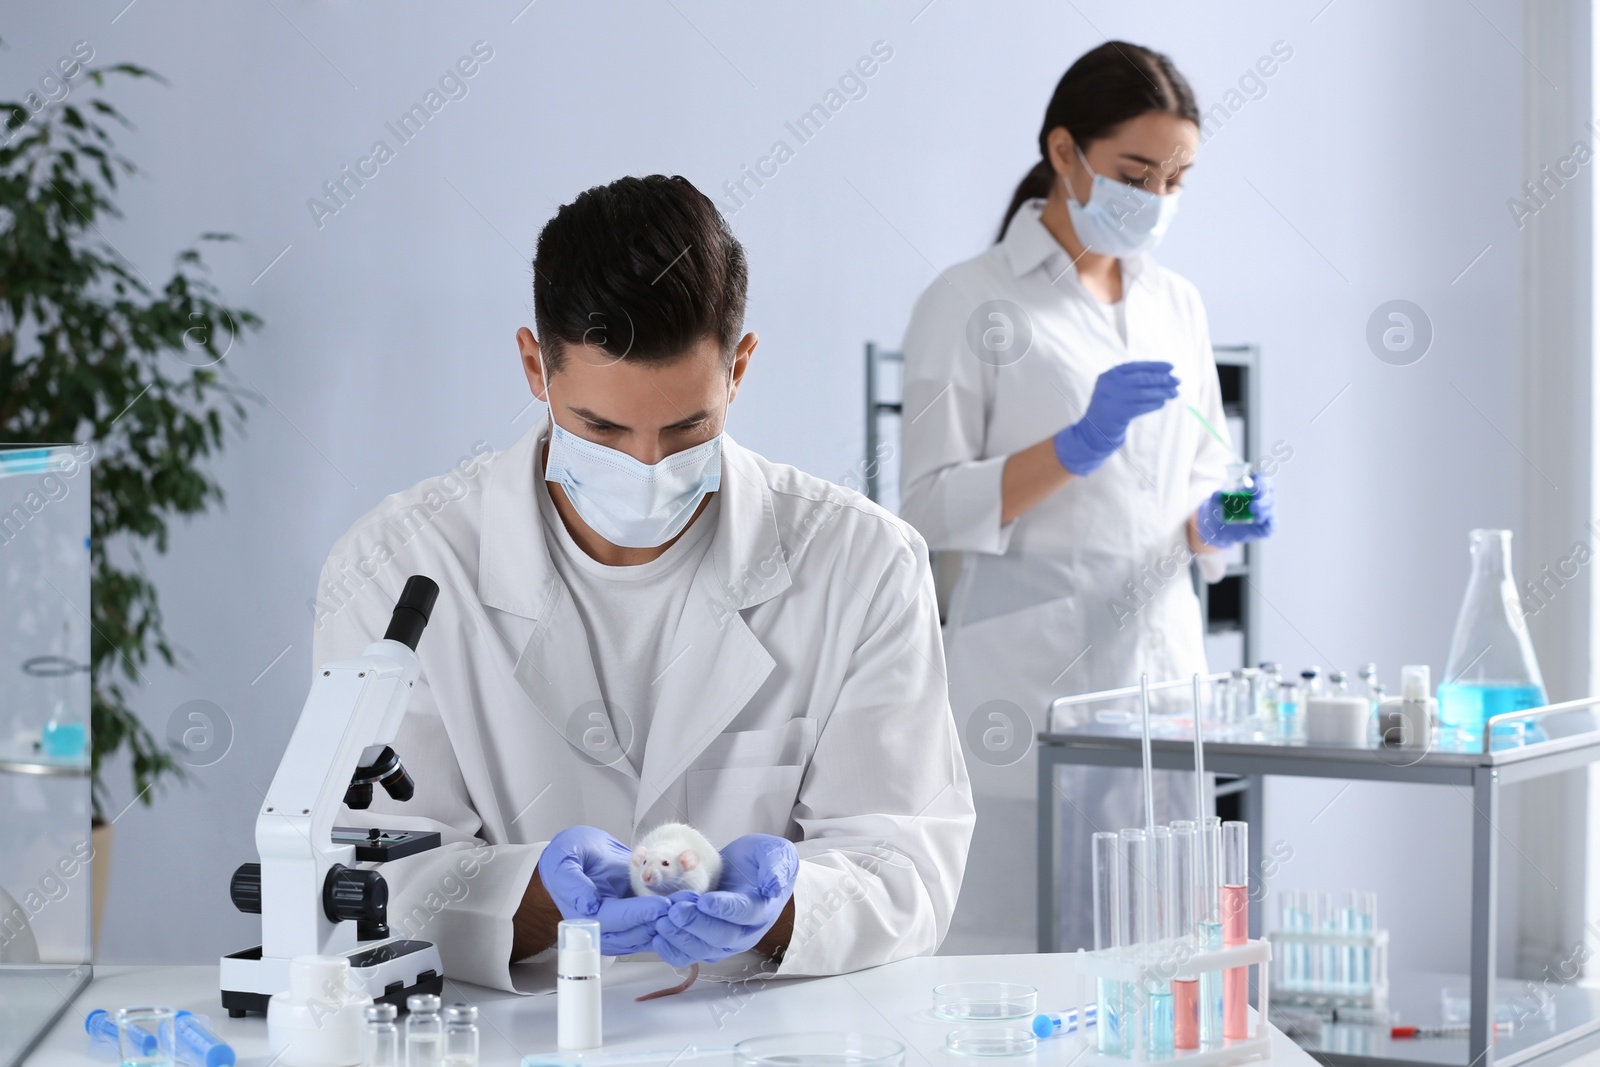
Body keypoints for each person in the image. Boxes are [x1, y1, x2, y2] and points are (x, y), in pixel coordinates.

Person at [311, 175, 974, 991]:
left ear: (740, 369)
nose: (648, 466)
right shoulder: (397, 567)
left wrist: (783, 905)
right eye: (601, 428)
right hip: (511, 1036)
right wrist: (536, 899)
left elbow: (906, 865)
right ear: (534, 366)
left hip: (762, 1032)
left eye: (687, 427)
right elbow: (359, 874)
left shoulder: (863, 564)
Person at [898, 42, 1276, 955]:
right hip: (1028, 694)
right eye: (1135, 174)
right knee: (1012, 950)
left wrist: (1226, 516)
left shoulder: (1177, 304)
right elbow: (925, 509)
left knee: (1163, 949)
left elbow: (1197, 486)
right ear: (1065, 153)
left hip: (1162, 680)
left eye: (1177, 179)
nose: (1156, 200)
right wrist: (1072, 448)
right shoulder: (968, 301)